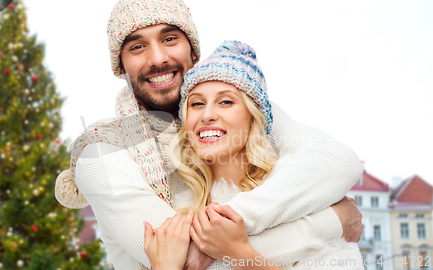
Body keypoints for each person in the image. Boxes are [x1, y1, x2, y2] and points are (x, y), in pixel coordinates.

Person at [54, 0, 364, 269]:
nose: (158, 58)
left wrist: (227, 226)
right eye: (137, 46)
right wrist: (331, 221)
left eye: (170, 38)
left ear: (193, 50)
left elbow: (338, 161)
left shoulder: (239, 106)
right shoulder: (101, 151)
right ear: (120, 66)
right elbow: (189, 260)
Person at [143, 40, 363, 270]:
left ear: (253, 118)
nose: (207, 114)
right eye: (196, 104)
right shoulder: (174, 210)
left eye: (226, 102)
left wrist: (239, 254)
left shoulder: (301, 196)